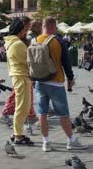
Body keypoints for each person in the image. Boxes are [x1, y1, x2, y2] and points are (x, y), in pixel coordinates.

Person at [34, 17, 86, 152]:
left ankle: (46, 142)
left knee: (42, 113)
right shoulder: (58, 41)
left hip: (39, 82)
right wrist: (70, 78)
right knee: (63, 114)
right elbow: (66, 62)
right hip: (55, 82)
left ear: (43, 26)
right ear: (52, 26)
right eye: (55, 27)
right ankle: (71, 140)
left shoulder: (34, 40)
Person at [0, 17, 37, 124]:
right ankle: (7, 115)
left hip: (20, 72)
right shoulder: (19, 39)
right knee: (17, 94)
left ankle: (30, 114)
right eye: (28, 26)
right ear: (22, 26)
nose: (29, 29)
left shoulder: (23, 38)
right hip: (19, 72)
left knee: (25, 93)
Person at [4, 17, 34, 145]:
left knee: (22, 106)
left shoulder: (11, 42)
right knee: (22, 107)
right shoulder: (17, 44)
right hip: (21, 76)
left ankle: (17, 133)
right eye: (25, 29)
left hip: (18, 76)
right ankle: (18, 136)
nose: (26, 31)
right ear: (20, 30)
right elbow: (29, 61)